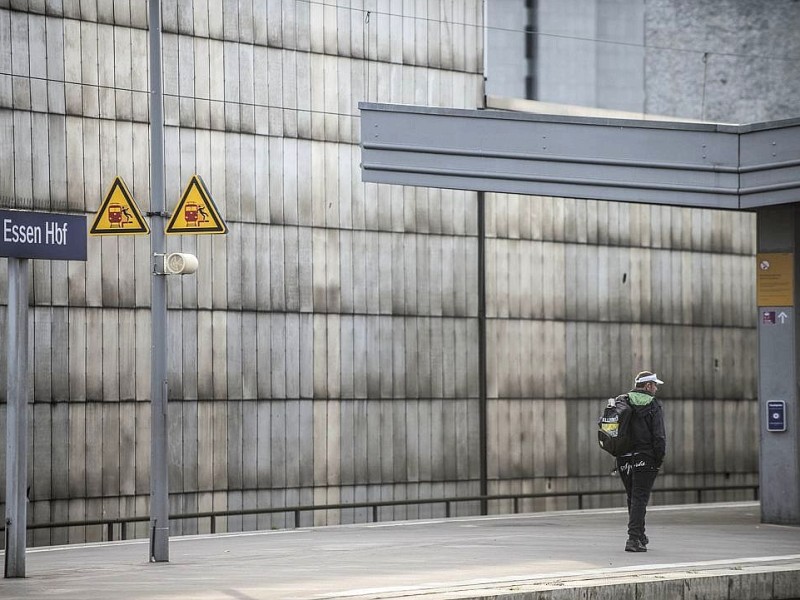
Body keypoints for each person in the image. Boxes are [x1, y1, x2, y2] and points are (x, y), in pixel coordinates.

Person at [617, 370, 666, 552]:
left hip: (623, 458)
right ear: (647, 386)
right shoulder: (652, 404)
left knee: (633, 496)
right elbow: (659, 436)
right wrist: (659, 459)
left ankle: (640, 534)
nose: (656, 389)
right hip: (644, 458)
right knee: (639, 497)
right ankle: (633, 539)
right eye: (655, 385)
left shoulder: (622, 401)